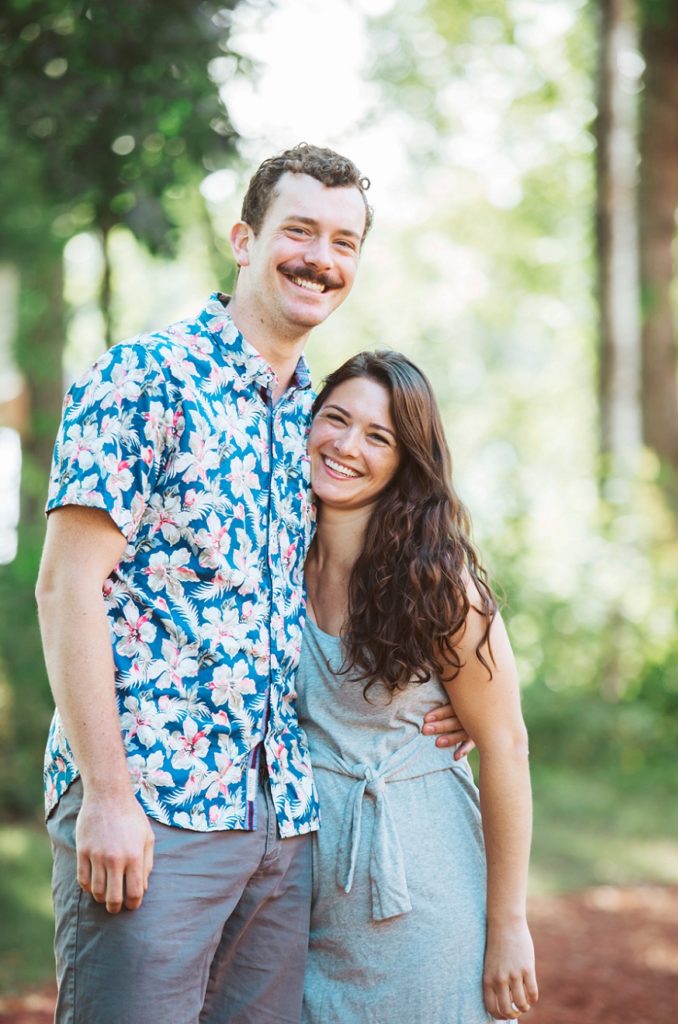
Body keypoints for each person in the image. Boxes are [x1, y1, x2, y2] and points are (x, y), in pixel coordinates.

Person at [35, 144, 466, 1024]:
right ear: (243, 238)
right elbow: (65, 588)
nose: (320, 258)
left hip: (282, 823)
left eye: (343, 242)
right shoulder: (141, 378)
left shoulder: (305, 419)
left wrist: (448, 691)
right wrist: (108, 798)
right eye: (298, 231)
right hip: (155, 806)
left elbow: (374, 564)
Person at [298, 351, 539, 1023]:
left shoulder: (438, 581)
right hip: (299, 897)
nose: (346, 446)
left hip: (422, 892)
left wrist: (508, 924)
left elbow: (506, 744)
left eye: (378, 436)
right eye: (335, 420)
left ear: (407, 460)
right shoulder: (271, 552)